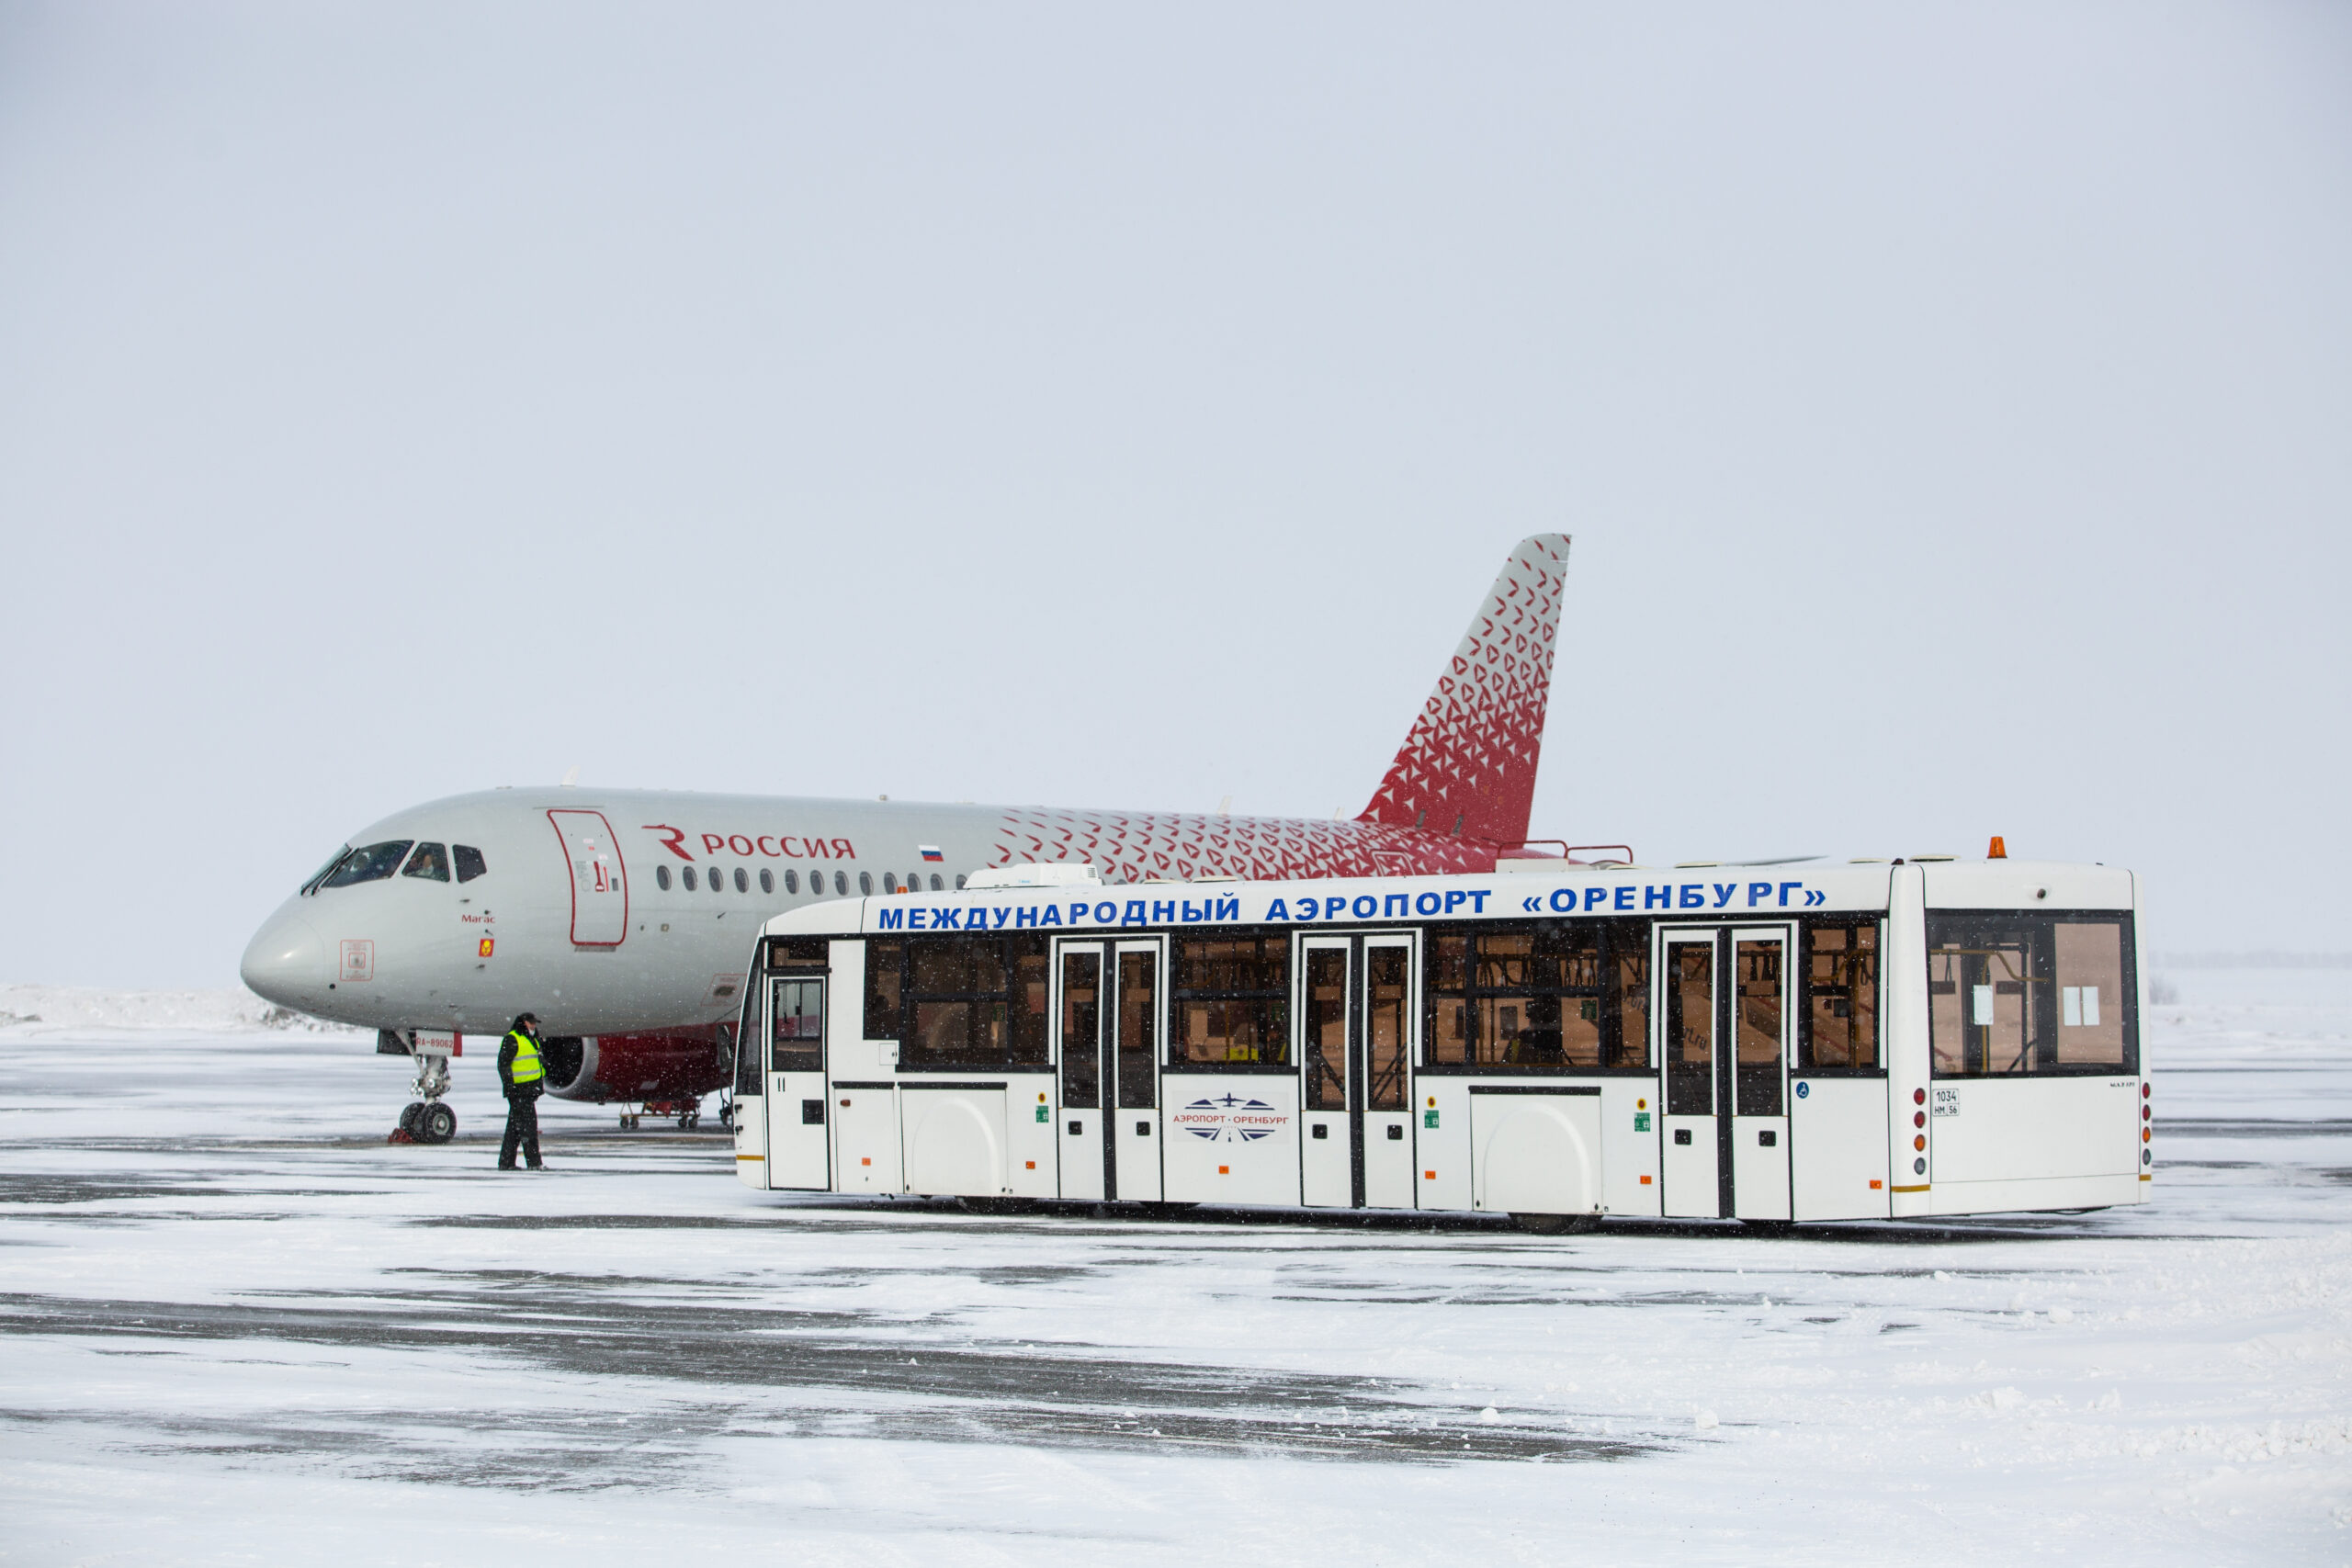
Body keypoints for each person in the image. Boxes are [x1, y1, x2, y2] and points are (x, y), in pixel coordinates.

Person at [498, 1011, 547, 1169]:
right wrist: (510, 1087)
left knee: (515, 1130)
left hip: (529, 1092)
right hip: (519, 1092)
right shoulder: (513, 1039)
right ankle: (534, 1163)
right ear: (522, 1022)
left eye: (534, 1023)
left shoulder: (532, 1040)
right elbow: (503, 1065)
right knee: (529, 1129)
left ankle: (506, 1163)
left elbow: (536, 1064)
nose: (533, 1025)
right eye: (530, 1022)